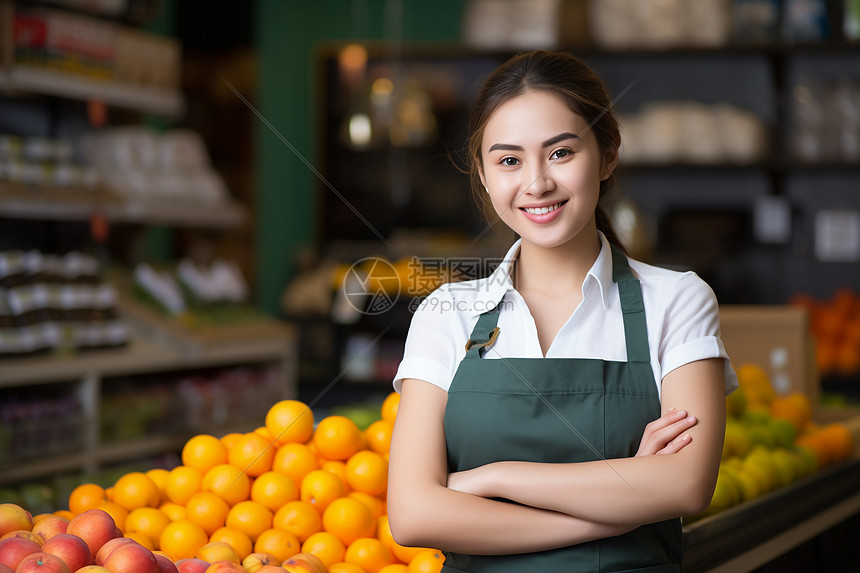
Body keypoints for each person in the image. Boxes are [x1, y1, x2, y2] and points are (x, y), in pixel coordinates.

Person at [386, 50, 738, 572]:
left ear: (608, 153)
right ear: (483, 174)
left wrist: (493, 478)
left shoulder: (677, 300)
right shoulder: (446, 314)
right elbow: (414, 515)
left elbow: (686, 485)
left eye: (560, 153)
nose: (536, 183)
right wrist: (616, 511)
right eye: (509, 160)